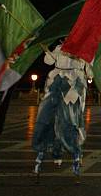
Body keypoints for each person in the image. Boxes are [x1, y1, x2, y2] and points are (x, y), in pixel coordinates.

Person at [32, 43, 93, 175]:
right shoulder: (60, 48)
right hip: (56, 83)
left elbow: (90, 70)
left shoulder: (83, 48)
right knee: (50, 117)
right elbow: (48, 61)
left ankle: (75, 151)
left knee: (70, 120)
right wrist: (47, 51)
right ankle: (55, 152)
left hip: (74, 86)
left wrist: (85, 68)